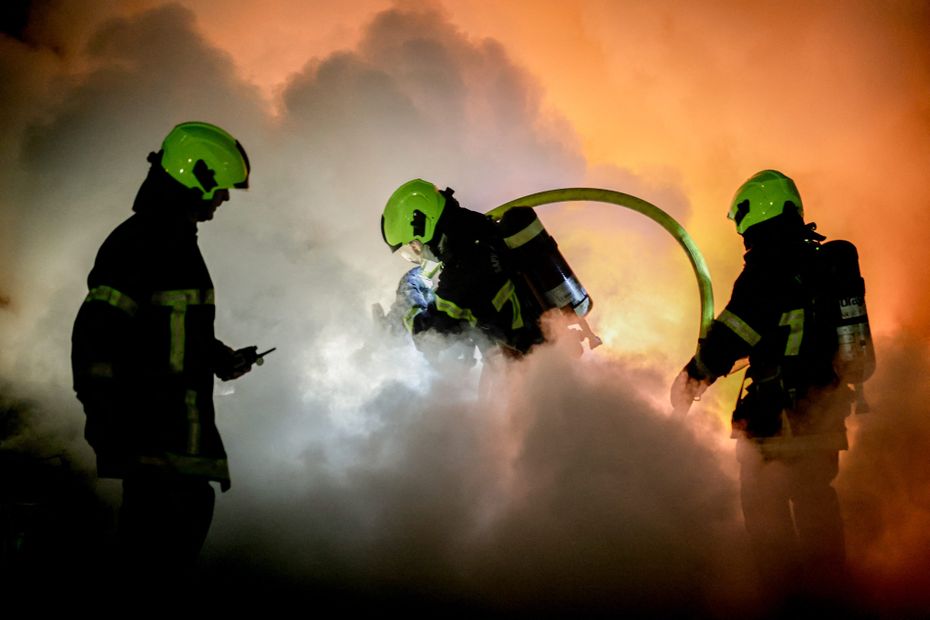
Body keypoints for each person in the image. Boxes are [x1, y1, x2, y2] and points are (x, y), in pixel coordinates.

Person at [71, 121, 257, 574]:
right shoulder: (141, 242)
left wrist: (218, 358)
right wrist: (107, 419)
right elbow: (94, 334)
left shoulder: (170, 242)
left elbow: (163, 329)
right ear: (198, 178)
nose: (225, 198)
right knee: (153, 562)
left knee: (176, 535)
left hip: (171, 444)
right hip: (152, 440)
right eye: (221, 188)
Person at [670, 170, 861, 601]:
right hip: (824, 414)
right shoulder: (821, 264)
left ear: (756, 211)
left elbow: (733, 335)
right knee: (817, 502)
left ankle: (782, 599)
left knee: (764, 507)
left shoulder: (765, 269)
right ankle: (833, 597)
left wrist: (691, 378)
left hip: (775, 421)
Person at [380, 179, 545, 359]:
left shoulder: (463, 264)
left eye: (414, 245)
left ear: (424, 225)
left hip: (529, 360)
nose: (417, 253)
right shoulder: (474, 231)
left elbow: (429, 337)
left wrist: (408, 299)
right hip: (538, 341)